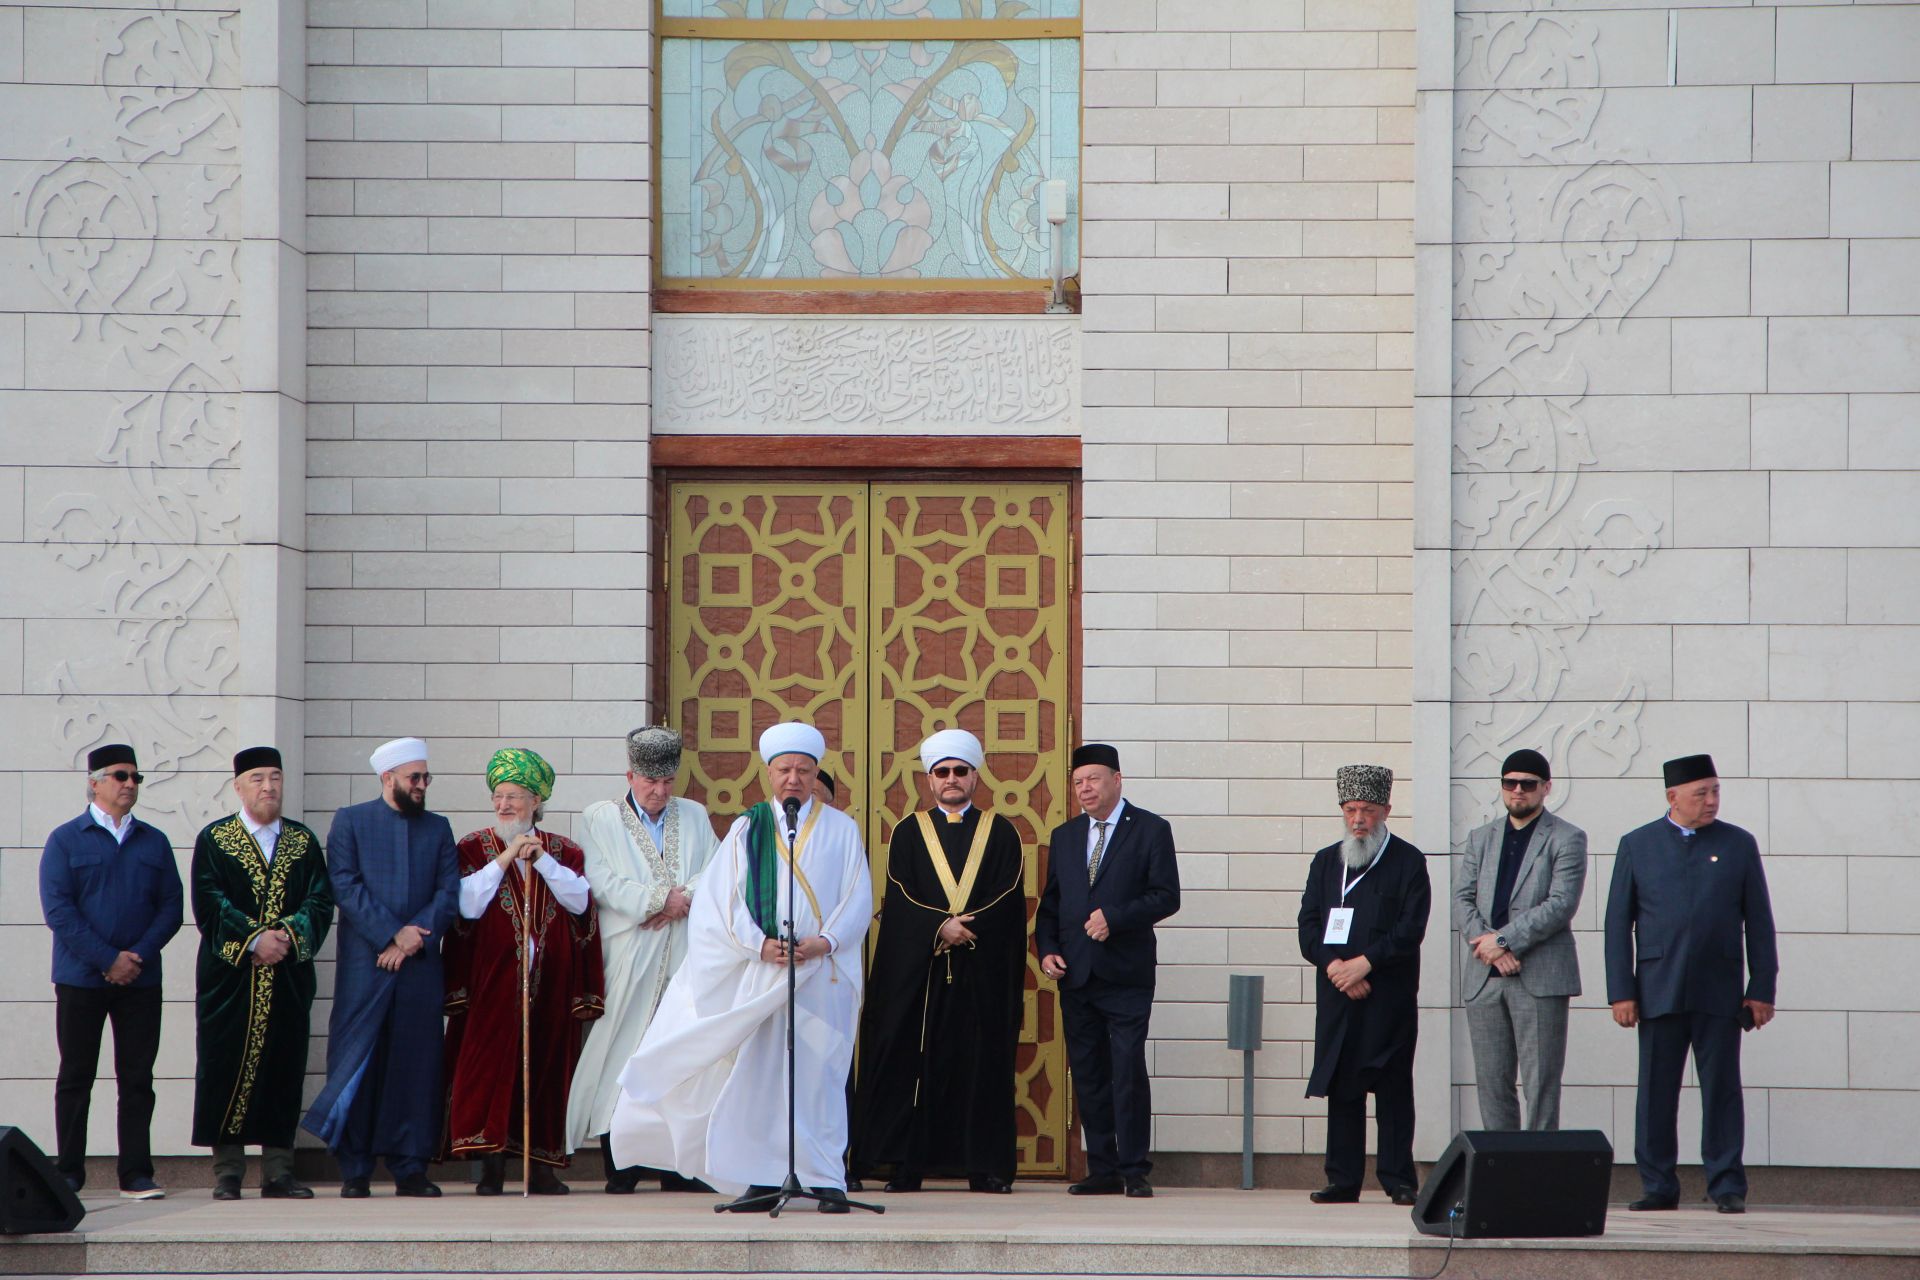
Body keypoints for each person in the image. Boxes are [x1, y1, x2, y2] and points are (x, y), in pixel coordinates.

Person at [609, 722, 873, 1213]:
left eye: (803, 770)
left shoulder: (843, 829)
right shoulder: (747, 829)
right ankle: (761, 1174)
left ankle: (826, 1178)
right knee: (759, 1076)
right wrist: (759, 946)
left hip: (821, 974)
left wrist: (825, 941)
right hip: (764, 976)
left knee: (819, 1076)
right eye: (784, 770)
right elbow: (719, 902)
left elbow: (858, 897)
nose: (793, 779)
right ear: (769, 773)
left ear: (817, 774)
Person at [853, 729, 1026, 1194]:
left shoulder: (1002, 831)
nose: (951, 779)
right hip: (924, 975)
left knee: (980, 1067)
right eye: (942, 772)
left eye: (960, 771)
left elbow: (1009, 895)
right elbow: (901, 896)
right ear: (929, 779)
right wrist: (939, 928)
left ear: (975, 776)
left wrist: (965, 929)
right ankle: (907, 1166)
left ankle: (983, 1167)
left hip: (978, 972)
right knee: (916, 1066)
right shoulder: (909, 831)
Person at [1606, 753, 1777, 1215]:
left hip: (1719, 988)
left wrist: (1762, 987)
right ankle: (1658, 1184)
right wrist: (1621, 991)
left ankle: (1726, 1184)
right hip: (1657, 988)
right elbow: (1617, 924)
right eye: (1701, 792)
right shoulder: (1637, 845)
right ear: (1672, 797)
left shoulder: (1738, 844)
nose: (1711, 800)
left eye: (1716, 790)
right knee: (1655, 1091)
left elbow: (1759, 921)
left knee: (1722, 1088)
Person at [301, 737, 459, 1198]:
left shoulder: (438, 827)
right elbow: (345, 887)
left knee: (416, 1066)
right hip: (367, 965)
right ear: (387, 777)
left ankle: (410, 1167)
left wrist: (412, 939)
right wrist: (392, 934)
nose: (421, 786)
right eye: (414, 778)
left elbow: (449, 893)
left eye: (425, 778)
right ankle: (355, 1168)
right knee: (357, 1064)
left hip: (419, 967)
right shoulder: (351, 821)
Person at [444, 748, 603, 1195]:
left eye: (514, 796)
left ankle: (543, 1166)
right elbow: (466, 905)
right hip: (491, 982)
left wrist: (541, 861)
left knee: (547, 1068)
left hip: (549, 983)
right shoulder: (473, 847)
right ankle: (490, 1166)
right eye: (498, 796)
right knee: (491, 1068)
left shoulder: (563, 850)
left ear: (536, 800)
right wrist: (507, 856)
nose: (504, 805)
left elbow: (579, 901)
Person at [566, 727, 718, 1194]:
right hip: (630, 953)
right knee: (622, 1056)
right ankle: (622, 1165)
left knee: (678, 1059)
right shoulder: (599, 818)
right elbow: (601, 881)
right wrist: (656, 900)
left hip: (683, 954)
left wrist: (680, 900)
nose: (660, 791)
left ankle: (678, 1166)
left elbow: (714, 868)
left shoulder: (693, 814)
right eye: (651, 781)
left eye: (668, 782)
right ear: (630, 775)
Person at [1035, 744, 1180, 1199]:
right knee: (1089, 1072)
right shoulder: (1065, 835)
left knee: (1127, 1069)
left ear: (1117, 779)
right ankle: (1102, 1168)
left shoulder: (1151, 830)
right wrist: (1048, 950)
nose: (1085, 788)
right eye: (1078, 782)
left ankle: (1135, 1168)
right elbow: (1051, 904)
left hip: (1126, 976)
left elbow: (1166, 896)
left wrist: (1114, 918)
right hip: (1076, 975)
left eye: (1094, 779)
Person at [39, 743, 184, 1199]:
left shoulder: (154, 841)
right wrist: (107, 959)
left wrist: (135, 956)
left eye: (136, 777)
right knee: (76, 1074)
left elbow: (171, 907)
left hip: (140, 980)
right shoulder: (67, 839)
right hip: (81, 979)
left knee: (138, 1077)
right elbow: (60, 911)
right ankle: (68, 1172)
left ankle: (136, 1173)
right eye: (121, 775)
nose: (129, 785)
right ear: (94, 781)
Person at [191, 747, 335, 1200]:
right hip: (230, 979)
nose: (268, 787)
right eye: (257, 778)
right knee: (224, 1066)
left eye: (275, 777)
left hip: (288, 977)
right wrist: (255, 939)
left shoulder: (302, 841)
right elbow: (210, 901)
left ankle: (278, 1170)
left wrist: (287, 937)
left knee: (284, 1066)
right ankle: (228, 1171)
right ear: (238, 786)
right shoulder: (215, 839)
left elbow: (319, 900)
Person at [1297, 764, 1430, 1207]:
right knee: (1342, 1086)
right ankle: (1343, 1179)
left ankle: (1398, 1178)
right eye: (1351, 809)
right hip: (1338, 994)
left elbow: (1410, 930)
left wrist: (1364, 966)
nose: (1359, 819)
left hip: (1386, 996)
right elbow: (1308, 926)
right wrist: (1336, 967)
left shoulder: (1409, 862)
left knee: (1393, 1087)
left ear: (1386, 811)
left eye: (1368, 811)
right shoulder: (1324, 861)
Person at [1452, 749, 1586, 1131]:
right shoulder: (1481, 837)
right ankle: (1502, 1176)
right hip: (1484, 975)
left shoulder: (1567, 838)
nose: (1517, 791)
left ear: (1546, 788)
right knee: (1492, 1083)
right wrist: (1491, 949)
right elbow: (1462, 898)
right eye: (1510, 783)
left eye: (1528, 784)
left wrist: (1505, 942)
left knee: (1541, 1085)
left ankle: (1540, 1178)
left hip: (1539, 976)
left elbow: (1561, 904)